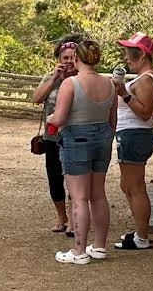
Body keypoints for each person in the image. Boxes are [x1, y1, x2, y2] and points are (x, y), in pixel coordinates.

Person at [50, 37, 117, 266]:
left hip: (77, 138)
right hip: (103, 137)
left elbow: (59, 118)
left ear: (77, 58)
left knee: (79, 197)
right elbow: (113, 120)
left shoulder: (71, 83)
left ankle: (79, 250)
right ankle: (99, 246)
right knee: (99, 195)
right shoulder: (110, 84)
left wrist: (51, 119)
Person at [112, 33, 153, 251]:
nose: (126, 59)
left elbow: (143, 112)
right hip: (138, 133)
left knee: (136, 187)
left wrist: (124, 94)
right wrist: (152, 117)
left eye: (129, 55)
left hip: (133, 135)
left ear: (141, 55)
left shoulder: (146, 80)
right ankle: (140, 230)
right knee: (127, 185)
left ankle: (142, 237)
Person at [32, 35, 80, 234]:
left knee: (74, 178)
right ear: (59, 59)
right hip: (52, 136)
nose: (68, 61)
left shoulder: (82, 78)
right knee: (54, 177)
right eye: (65, 58)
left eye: (72, 58)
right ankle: (61, 216)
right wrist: (54, 79)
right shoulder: (50, 77)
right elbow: (37, 98)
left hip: (75, 135)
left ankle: (74, 219)